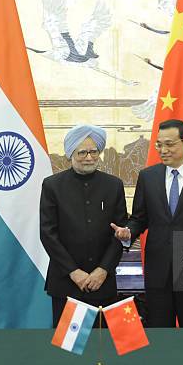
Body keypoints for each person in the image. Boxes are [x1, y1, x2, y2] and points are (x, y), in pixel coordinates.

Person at [112, 119, 183, 327]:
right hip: (158, 270)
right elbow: (140, 218)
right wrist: (128, 231)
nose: (163, 150)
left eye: (169, 144)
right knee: (160, 334)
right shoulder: (148, 177)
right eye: (159, 145)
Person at [40, 124, 127, 327]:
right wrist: (74, 272)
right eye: (82, 152)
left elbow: (120, 233)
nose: (89, 157)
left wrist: (103, 270)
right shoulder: (52, 185)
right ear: (71, 154)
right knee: (69, 352)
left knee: (103, 347)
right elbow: (48, 233)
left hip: (103, 284)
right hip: (66, 283)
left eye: (94, 151)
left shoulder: (114, 185)